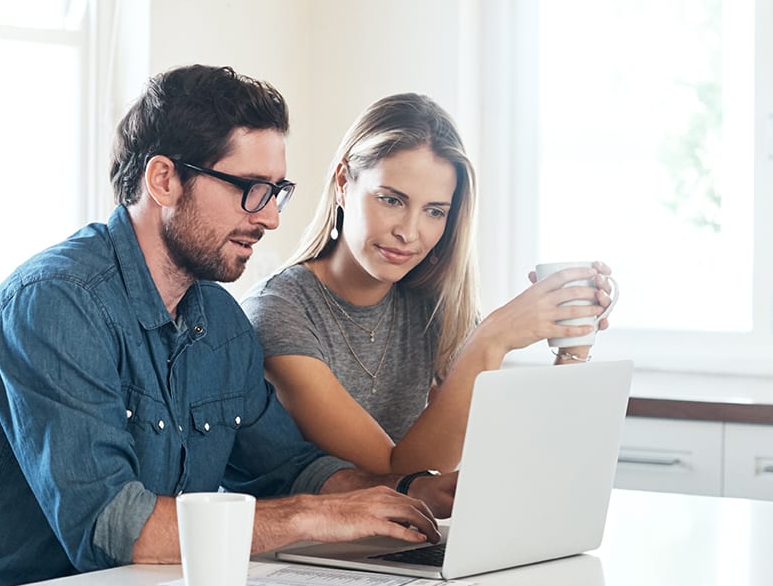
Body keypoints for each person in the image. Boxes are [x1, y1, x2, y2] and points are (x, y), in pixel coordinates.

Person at [0, 66, 448, 586]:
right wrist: (310, 516)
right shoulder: (54, 305)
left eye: (276, 191)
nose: (270, 217)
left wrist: (410, 492)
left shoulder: (221, 323)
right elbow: (114, 529)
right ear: (164, 180)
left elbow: (287, 468)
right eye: (250, 189)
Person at [242, 93, 614, 477]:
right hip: (308, 536)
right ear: (343, 183)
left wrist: (573, 341)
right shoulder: (278, 311)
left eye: (434, 211)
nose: (408, 232)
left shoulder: (432, 307)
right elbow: (398, 473)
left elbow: (506, 458)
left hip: (404, 535)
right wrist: (491, 340)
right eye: (391, 200)